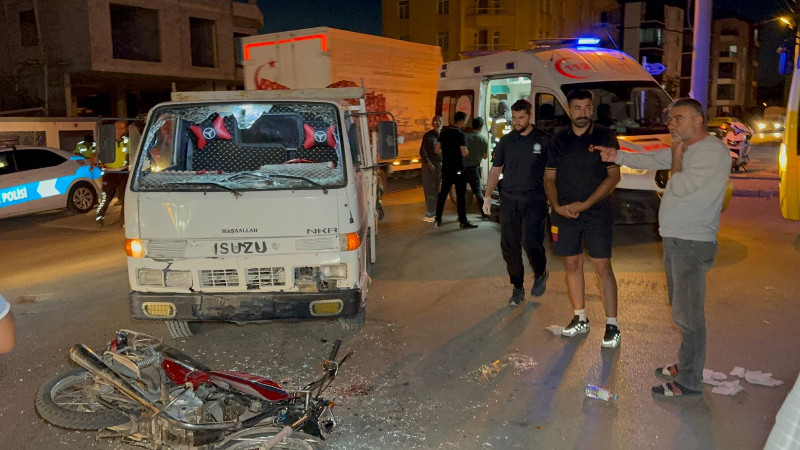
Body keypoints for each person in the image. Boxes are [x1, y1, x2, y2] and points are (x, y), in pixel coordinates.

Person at [598, 98, 731, 397]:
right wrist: (616, 154)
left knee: (690, 316)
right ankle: (686, 364)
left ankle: (689, 381)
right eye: (670, 118)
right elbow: (650, 157)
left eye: (678, 118)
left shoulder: (712, 152)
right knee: (682, 311)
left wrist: (675, 156)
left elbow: (680, 185)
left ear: (698, 121)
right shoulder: (687, 149)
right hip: (677, 240)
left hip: (692, 242)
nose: (671, 124)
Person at [544, 89, 622, 348]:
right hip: (565, 213)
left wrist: (586, 204)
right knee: (572, 264)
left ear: (592, 108)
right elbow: (549, 178)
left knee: (602, 267)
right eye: (577, 108)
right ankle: (580, 318)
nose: (583, 113)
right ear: (569, 110)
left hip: (597, 212)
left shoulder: (604, 135)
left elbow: (614, 176)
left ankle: (612, 325)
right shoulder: (558, 140)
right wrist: (557, 206)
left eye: (587, 107)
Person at [482, 99, 550, 306]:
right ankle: (517, 287)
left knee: (531, 242)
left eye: (521, 118)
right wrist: (487, 196)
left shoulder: (545, 140)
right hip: (510, 199)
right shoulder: (506, 141)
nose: (517, 122)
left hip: (535, 199)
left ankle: (540, 272)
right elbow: (496, 170)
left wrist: (552, 199)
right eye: (514, 118)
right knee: (509, 245)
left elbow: (552, 174)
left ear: (530, 117)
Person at [434, 111, 477, 229]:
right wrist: (466, 151)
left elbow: (437, 150)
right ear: (462, 121)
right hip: (458, 169)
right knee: (460, 195)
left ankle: (437, 219)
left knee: (443, 194)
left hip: (446, 168)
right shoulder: (460, 134)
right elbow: (464, 153)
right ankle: (463, 221)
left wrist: (447, 152)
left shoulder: (444, 133)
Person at [96, 121, 130, 226]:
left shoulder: (127, 141)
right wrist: (99, 164)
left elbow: (131, 153)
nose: (119, 130)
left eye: (122, 128)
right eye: (117, 128)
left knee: (126, 197)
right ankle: (99, 216)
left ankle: (124, 220)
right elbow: (96, 154)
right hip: (110, 173)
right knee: (107, 197)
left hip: (124, 172)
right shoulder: (106, 142)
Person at [464, 117, 489, 218]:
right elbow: (485, 156)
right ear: (481, 127)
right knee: (478, 192)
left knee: (462, 192)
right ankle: (484, 213)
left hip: (463, 168)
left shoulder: (465, 137)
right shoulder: (483, 139)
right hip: (474, 169)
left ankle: (462, 214)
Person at [420, 116, 443, 222]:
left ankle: (436, 211)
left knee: (438, 189)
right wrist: (429, 164)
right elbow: (423, 152)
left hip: (439, 165)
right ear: (432, 124)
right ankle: (430, 212)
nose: (437, 123)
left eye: (439, 121)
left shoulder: (444, 136)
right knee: (429, 189)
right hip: (428, 166)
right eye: (435, 121)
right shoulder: (428, 136)